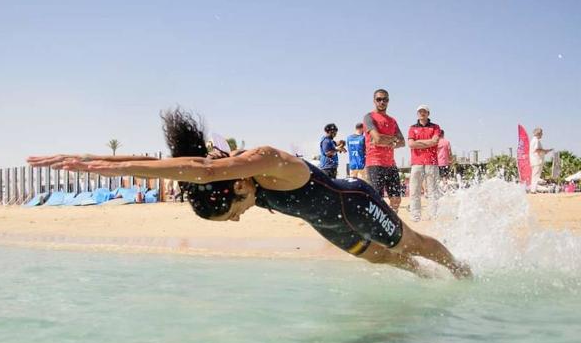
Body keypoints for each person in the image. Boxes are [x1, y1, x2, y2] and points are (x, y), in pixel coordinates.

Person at [27, 109, 471, 279]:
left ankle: (460, 271)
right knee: (382, 258)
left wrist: (94, 164)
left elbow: (200, 170)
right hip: (329, 224)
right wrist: (105, 161)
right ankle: (426, 280)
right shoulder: (237, 186)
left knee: (410, 242)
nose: (239, 218)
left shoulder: (267, 161)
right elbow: (190, 170)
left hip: (354, 204)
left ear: (238, 185)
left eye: (234, 212)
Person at [363, 89, 405, 212]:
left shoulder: (392, 121)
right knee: (377, 200)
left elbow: (402, 142)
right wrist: (392, 140)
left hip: (391, 164)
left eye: (385, 99)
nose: (382, 102)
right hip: (375, 164)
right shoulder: (369, 117)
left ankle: (392, 223)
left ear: (388, 101)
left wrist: (385, 140)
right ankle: (375, 227)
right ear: (374, 101)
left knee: (396, 199)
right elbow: (377, 139)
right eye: (379, 99)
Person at [407, 105, 441, 222]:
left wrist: (418, 142)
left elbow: (435, 141)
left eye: (424, 112)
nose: (422, 113)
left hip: (431, 162)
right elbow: (411, 144)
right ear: (417, 114)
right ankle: (415, 216)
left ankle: (433, 215)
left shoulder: (435, 127)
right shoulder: (412, 128)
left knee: (433, 190)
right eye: (420, 112)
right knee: (414, 190)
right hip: (416, 163)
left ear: (428, 113)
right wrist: (429, 142)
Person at [529, 127, 552, 194]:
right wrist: (545, 151)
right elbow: (537, 150)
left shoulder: (533, 140)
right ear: (538, 133)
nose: (542, 134)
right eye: (541, 133)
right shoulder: (536, 140)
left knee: (534, 175)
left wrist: (544, 151)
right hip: (537, 160)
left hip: (534, 160)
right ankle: (533, 190)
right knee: (536, 176)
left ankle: (533, 189)